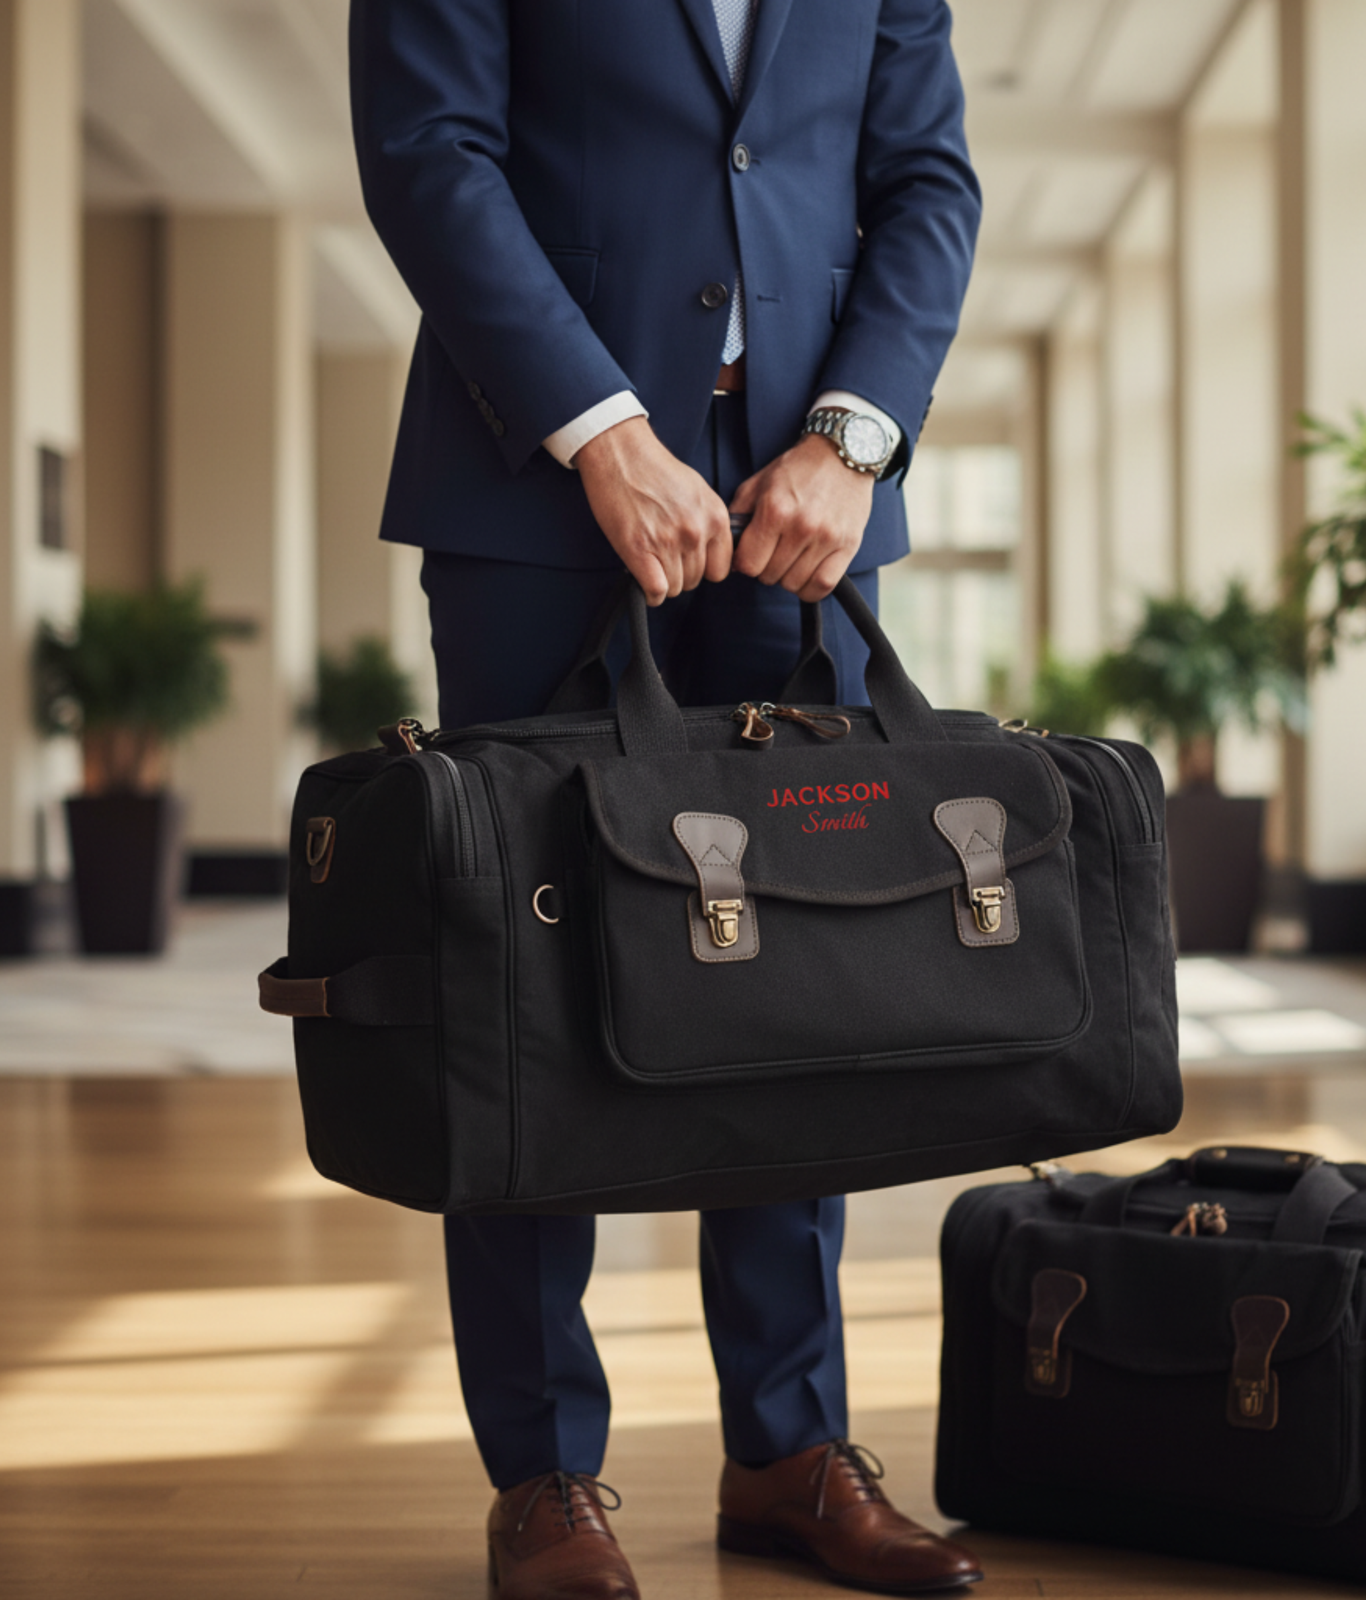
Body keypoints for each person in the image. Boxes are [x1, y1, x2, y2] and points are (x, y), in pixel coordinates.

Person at [350, 3, 982, 1595]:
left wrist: (850, 438)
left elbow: (927, 185)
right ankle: (546, 1475)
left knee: (801, 976)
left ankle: (786, 1447)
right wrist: (602, 426)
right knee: (517, 985)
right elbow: (432, 152)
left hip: (802, 514)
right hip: (535, 488)